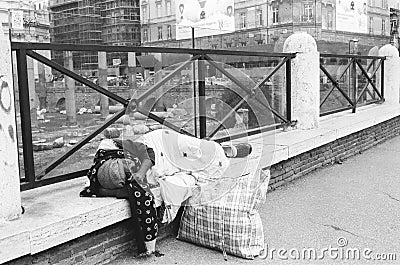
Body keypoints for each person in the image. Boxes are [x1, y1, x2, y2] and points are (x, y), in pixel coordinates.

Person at [80, 138, 161, 257]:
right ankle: (149, 246)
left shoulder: (117, 145)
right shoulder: (100, 173)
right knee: (141, 193)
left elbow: (150, 152)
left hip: (155, 146)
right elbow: (100, 190)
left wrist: (140, 173)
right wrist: (120, 191)